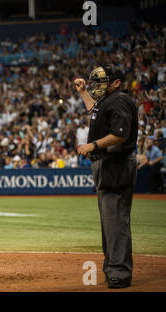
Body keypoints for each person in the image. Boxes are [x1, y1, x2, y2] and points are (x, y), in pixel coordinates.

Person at [75, 64, 138, 289]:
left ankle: (119, 273)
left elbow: (120, 135)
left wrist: (93, 145)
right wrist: (83, 92)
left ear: (116, 83)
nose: (96, 87)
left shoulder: (119, 100)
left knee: (115, 220)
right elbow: (94, 109)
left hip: (116, 162)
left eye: (101, 82)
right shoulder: (106, 101)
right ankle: (113, 267)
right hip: (108, 163)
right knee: (109, 221)